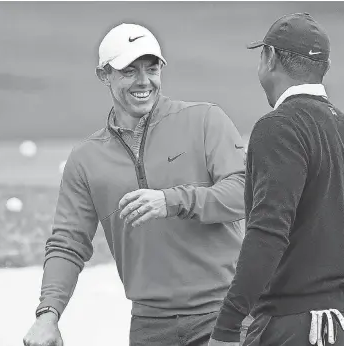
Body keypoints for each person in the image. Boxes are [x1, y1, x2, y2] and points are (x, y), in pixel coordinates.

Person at [23, 23, 251, 346]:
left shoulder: (205, 121)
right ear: (104, 75)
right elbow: (67, 244)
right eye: (129, 71)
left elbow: (244, 192)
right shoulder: (86, 159)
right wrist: (48, 316)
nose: (144, 81)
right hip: (150, 326)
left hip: (226, 315)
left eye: (152, 68)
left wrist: (171, 201)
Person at [209, 13, 344, 346]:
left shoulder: (278, 126)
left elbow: (268, 233)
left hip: (297, 327)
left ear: (269, 57)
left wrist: (227, 325)